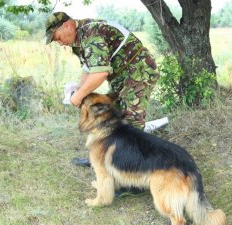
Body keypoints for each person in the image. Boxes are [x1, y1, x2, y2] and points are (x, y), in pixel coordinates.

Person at [45, 12, 160, 194]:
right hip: (122, 76)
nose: (59, 43)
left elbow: (99, 74)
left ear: (66, 26)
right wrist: (80, 91)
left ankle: (134, 182)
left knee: (131, 121)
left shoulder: (92, 34)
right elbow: (88, 69)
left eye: (57, 37)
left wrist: (78, 96)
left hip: (138, 73)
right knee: (112, 119)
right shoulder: (80, 37)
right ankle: (100, 158)